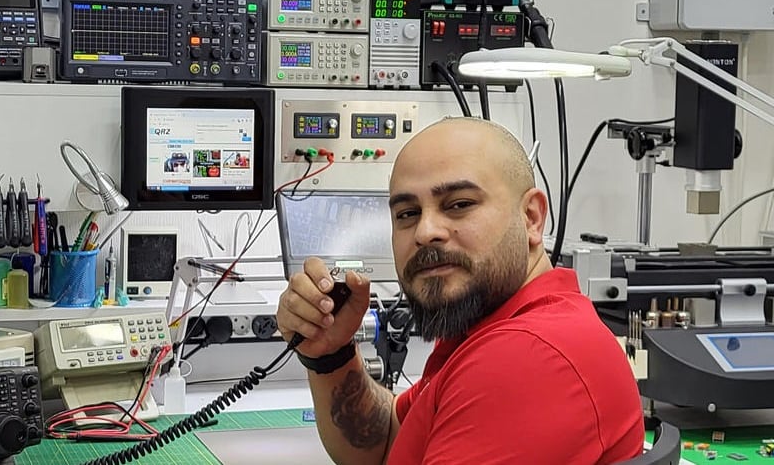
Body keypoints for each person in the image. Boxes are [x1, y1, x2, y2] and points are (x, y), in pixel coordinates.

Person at [276, 117, 645, 464]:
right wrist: (330, 357)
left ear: (531, 218)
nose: (425, 232)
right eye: (407, 213)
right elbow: (387, 442)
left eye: (459, 205)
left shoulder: (527, 355)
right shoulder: (492, 327)